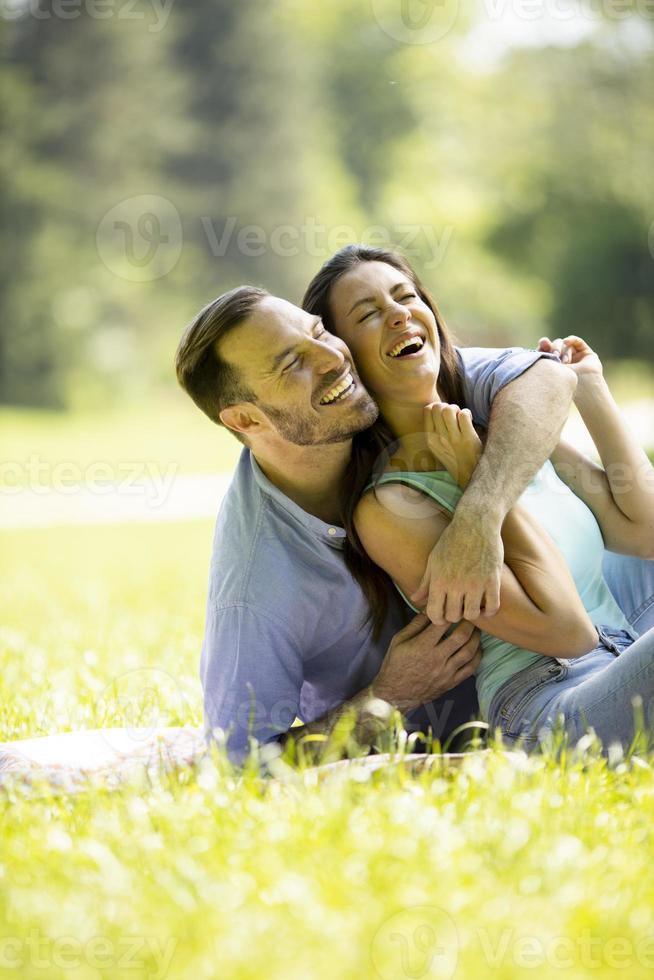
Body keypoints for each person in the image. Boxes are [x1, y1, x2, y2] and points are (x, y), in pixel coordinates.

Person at [174, 273, 581, 765]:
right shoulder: (257, 585)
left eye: (319, 332)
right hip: (515, 717)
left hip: (580, 659)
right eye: (293, 364)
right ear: (245, 420)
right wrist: (385, 698)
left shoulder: (381, 393)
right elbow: (241, 761)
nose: (333, 357)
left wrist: (480, 513)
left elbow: (546, 376)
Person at [304, 244, 654, 752]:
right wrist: (472, 479)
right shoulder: (390, 508)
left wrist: (592, 392)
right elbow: (568, 632)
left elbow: (644, 532)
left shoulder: (508, 429)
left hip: (624, 651)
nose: (399, 314)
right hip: (548, 704)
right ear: (345, 356)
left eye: (405, 296)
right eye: (370, 313)